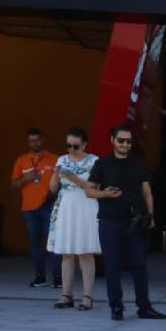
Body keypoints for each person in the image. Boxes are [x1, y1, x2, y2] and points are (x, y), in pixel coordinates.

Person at [84, 124, 166, 322]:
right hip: (110, 222)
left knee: (139, 265)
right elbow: (89, 191)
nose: (125, 145)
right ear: (112, 140)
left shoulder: (138, 164)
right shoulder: (102, 164)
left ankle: (144, 307)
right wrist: (105, 193)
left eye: (129, 141)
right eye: (121, 140)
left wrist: (151, 215)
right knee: (112, 267)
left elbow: (147, 192)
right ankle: (116, 307)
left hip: (135, 222)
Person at [47, 128, 101, 311]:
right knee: (66, 253)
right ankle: (66, 294)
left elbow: (95, 187)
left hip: (86, 207)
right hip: (65, 208)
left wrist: (75, 179)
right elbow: (53, 188)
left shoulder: (95, 161)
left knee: (85, 253)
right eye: (68, 145)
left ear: (85, 144)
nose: (71, 149)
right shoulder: (61, 160)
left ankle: (87, 296)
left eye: (75, 146)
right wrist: (56, 174)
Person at [11, 128, 61, 288]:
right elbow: (13, 184)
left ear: (43, 140)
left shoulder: (55, 159)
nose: (35, 143)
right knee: (35, 243)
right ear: (28, 142)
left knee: (53, 242)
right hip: (29, 208)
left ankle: (58, 278)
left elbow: (64, 182)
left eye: (37, 140)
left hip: (50, 207)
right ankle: (40, 277)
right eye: (32, 140)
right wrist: (26, 178)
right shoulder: (21, 160)